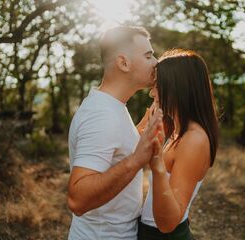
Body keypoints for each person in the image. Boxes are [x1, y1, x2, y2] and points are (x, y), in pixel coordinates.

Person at [67, 26, 162, 240]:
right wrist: (137, 159)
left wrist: (138, 133)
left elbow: (112, 150)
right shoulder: (101, 115)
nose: (156, 62)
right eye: (148, 55)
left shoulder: (111, 106)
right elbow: (78, 200)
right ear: (123, 63)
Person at [138, 49, 219, 239]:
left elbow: (168, 224)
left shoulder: (194, 139)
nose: (151, 93)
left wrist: (157, 165)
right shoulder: (176, 130)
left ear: (176, 88)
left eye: (158, 85)